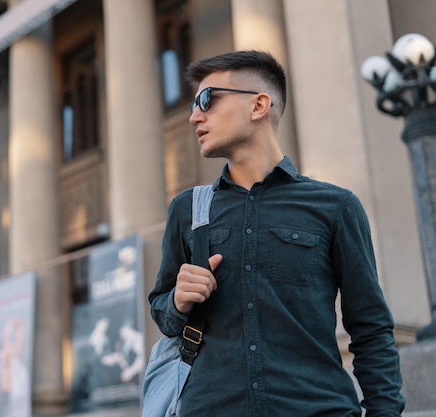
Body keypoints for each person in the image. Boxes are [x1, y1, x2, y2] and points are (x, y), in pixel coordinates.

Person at [148, 50, 405, 416]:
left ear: (259, 106)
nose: (194, 116)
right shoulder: (187, 210)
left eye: (207, 99)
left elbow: (371, 329)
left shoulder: (335, 206)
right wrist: (176, 300)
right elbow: (162, 312)